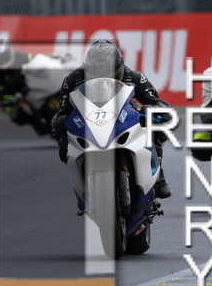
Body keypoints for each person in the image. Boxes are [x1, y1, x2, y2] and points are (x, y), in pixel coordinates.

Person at [51, 40, 173, 199]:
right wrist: (59, 121)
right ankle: (82, 185)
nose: (103, 78)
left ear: (120, 68)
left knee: (156, 125)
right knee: (62, 137)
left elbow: (157, 103)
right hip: (90, 120)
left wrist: (153, 110)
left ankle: (159, 177)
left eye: (110, 73)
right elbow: (64, 110)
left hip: (125, 116)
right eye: (95, 74)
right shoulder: (73, 79)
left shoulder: (135, 77)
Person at [0, 38, 69, 136]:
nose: (2, 60)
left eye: (3, 56)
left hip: (31, 86)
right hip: (13, 94)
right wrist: (10, 99)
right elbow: (0, 95)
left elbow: (37, 60)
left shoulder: (20, 56)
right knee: (17, 116)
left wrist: (53, 58)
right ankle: (37, 124)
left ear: (10, 51)